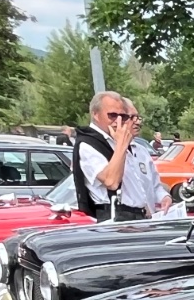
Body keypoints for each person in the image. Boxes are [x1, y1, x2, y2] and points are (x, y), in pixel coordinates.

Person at [70, 90, 169, 220]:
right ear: (96, 114)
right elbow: (111, 181)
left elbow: (146, 186)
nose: (118, 121)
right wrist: (121, 144)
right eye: (112, 115)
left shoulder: (123, 143)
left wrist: (162, 198)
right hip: (114, 216)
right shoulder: (88, 143)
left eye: (122, 116)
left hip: (138, 216)